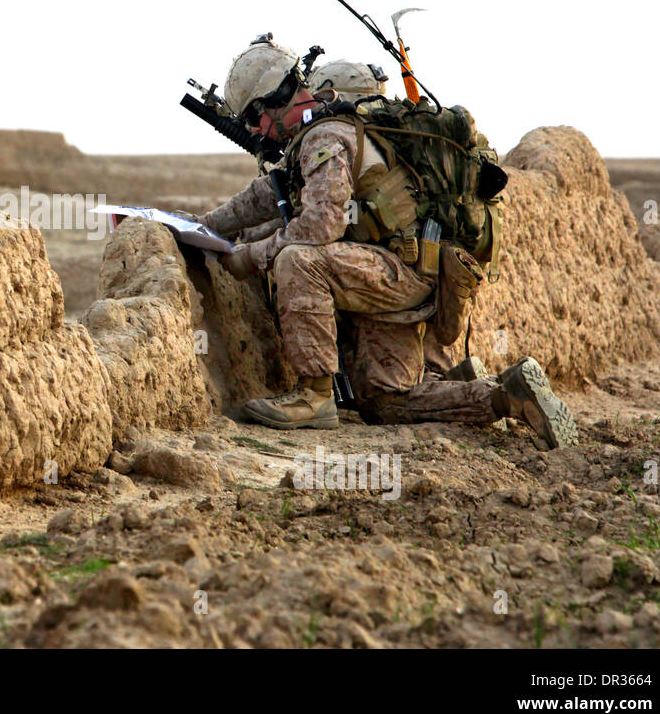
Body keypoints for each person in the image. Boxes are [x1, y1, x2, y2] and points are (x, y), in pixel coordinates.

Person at [196, 34, 577, 449]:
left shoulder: (325, 137)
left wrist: (250, 256)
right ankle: (505, 395)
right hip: (398, 270)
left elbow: (321, 227)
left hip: (397, 272)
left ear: (272, 101)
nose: (254, 131)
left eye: (254, 119)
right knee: (384, 402)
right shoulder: (325, 129)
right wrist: (203, 225)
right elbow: (266, 196)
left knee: (298, 260)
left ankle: (314, 396)